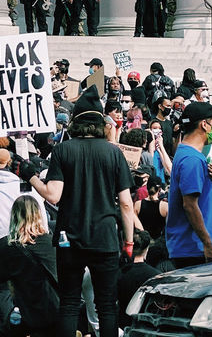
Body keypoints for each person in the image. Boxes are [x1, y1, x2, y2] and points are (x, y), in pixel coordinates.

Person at [25, 110, 135, 337]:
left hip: (69, 237)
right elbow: (125, 203)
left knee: (69, 302)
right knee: (106, 306)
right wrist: (129, 241)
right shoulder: (114, 153)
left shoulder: (62, 150)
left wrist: (31, 177)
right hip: (104, 237)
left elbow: (53, 195)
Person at [0, 195, 58, 337]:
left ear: (13, 216)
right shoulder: (52, 243)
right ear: (38, 214)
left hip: (21, 316)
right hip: (53, 311)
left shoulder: (1, 248)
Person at [165, 102, 212, 268]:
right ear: (204, 125)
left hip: (194, 249)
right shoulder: (191, 159)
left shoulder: (188, 155)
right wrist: (208, 244)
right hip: (195, 251)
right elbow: (190, 205)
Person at [116, 230, 159, 329]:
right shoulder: (155, 276)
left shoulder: (119, 273)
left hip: (122, 324)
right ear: (147, 248)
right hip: (147, 326)